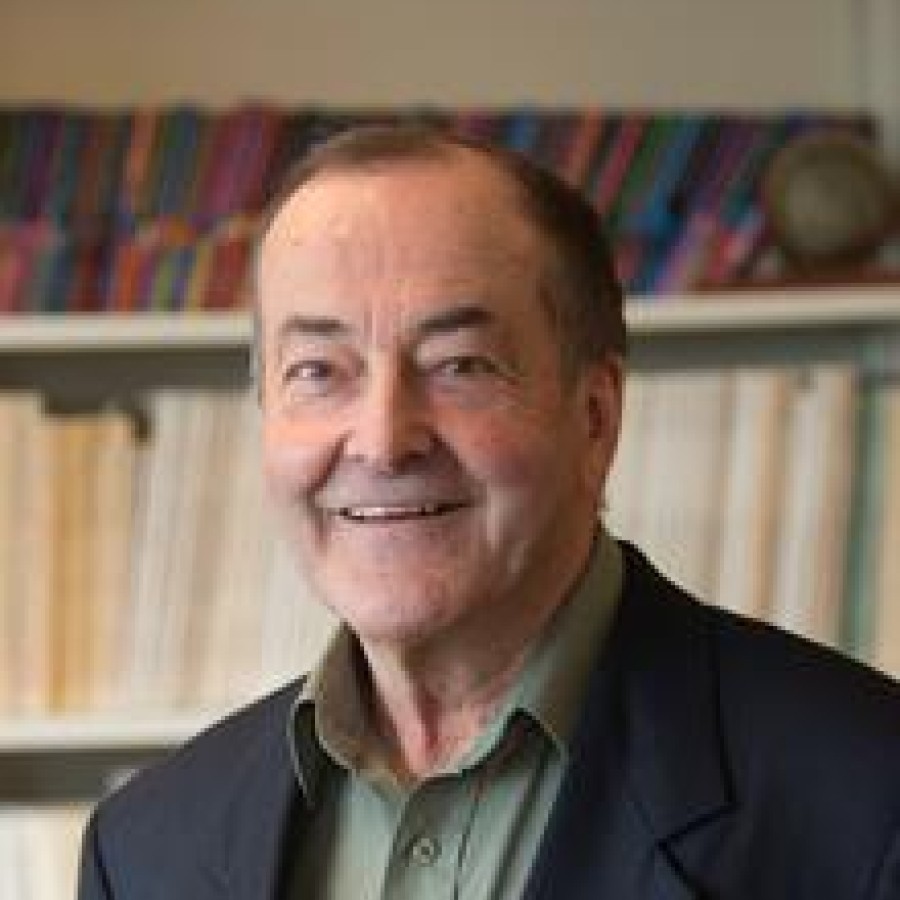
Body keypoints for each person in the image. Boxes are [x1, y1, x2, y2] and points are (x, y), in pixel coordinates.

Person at [78, 124, 900, 900]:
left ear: (595, 418)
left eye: (460, 365)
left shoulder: (869, 796)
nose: (383, 441)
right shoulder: (144, 852)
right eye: (319, 370)